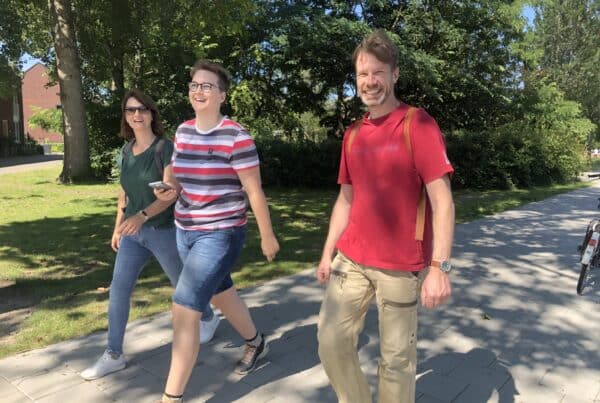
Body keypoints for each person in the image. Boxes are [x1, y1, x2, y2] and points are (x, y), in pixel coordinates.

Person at [316, 29, 455, 403]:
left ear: (394, 74)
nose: (370, 81)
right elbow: (345, 199)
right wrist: (327, 252)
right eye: (363, 74)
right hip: (351, 258)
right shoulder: (353, 134)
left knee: (396, 362)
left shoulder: (417, 124)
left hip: (399, 267)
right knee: (330, 341)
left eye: (378, 72)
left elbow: (442, 201)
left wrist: (440, 268)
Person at [154, 59, 280, 403]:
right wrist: (169, 190)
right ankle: (256, 342)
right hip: (185, 229)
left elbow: (254, 190)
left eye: (207, 86)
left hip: (221, 233)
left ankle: (171, 397)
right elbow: (178, 178)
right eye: (194, 85)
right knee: (221, 292)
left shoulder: (237, 137)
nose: (199, 91)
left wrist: (267, 235)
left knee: (184, 309)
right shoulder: (183, 131)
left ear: (222, 95)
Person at [80, 89, 220, 381]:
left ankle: (208, 317)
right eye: (130, 110)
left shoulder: (164, 148)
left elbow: (171, 192)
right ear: (125, 116)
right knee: (119, 289)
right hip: (133, 234)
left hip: (163, 230)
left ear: (151, 114)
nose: (137, 115)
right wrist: (118, 227)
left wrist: (141, 216)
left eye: (142, 109)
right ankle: (114, 354)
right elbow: (124, 195)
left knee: (182, 285)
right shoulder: (124, 152)